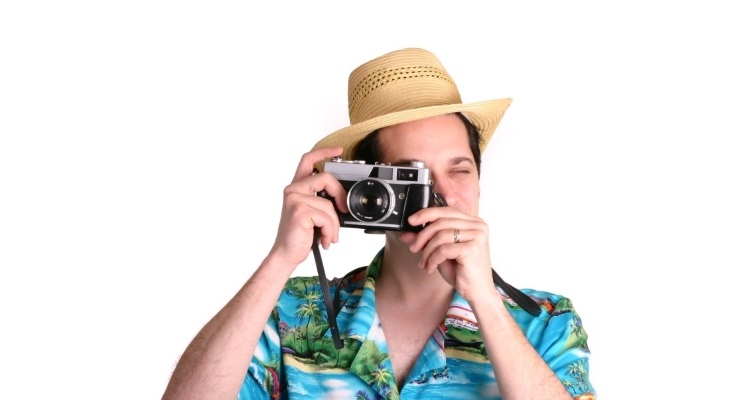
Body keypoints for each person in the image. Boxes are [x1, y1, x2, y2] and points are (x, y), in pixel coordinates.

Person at [162, 48, 595, 400]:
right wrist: (281, 259)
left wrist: (483, 299)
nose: (440, 193)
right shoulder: (290, 314)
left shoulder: (547, 321)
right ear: (367, 190)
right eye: (413, 175)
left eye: (459, 169)